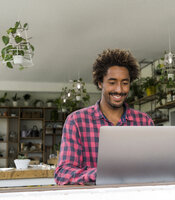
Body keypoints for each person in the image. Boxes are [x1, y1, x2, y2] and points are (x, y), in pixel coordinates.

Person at [54, 49, 154, 185]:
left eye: (125, 83)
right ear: (100, 83)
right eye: (112, 83)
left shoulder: (144, 122)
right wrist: (99, 173)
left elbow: (153, 168)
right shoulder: (76, 121)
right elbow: (62, 174)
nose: (119, 89)